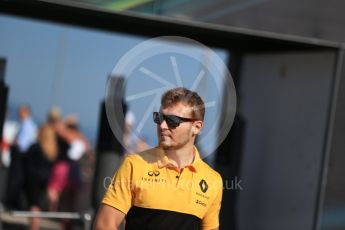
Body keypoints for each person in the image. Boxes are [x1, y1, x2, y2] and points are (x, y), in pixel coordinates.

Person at [94, 87, 223, 230]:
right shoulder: (135, 165)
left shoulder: (213, 180)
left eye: (172, 121)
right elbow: (104, 224)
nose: (162, 126)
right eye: (159, 118)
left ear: (196, 127)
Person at [23, 124, 58, 230]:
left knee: (34, 210)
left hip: (33, 183)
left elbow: (27, 166)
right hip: (45, 183)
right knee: (37, 210)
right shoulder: (52, 150)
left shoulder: (35, 148)